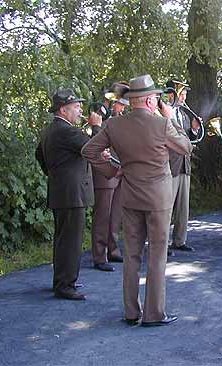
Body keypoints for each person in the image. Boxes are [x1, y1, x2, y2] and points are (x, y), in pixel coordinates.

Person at [81, 74, 192, 326]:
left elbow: (88, 151)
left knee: (131, 255)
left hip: (130, 195)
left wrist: (113, 170)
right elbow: (186, 147)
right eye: (155, 97)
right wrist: (170, 119)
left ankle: (131, 312)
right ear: (150, 100)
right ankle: (154, 314)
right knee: (157, 255)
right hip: (159, 199)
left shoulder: (114, 125)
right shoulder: (161, 124)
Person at [35, 88, 101, 300]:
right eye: (76, 107)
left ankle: (62, 280)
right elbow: (94, 147)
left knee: (63, 239)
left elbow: (39, 155)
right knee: (71, 240)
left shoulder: (50, 130)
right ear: (63, 110)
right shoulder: (67, 131)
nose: (80, 110)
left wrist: (54, 175)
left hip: (61, 191)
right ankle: (65, 285)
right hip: (72, 194)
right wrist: (96, 126)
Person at [89, 86, 128, 272]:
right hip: (105, 172)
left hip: (121, 170)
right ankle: (99, 255)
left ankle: (113, 248)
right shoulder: (100, 118)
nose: (122, 107)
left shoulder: (122, 120)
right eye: (120, 103)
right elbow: (93, 145)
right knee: (102, 215)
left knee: (116, 214)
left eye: (123, 104)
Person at [165, 80, 195, 252]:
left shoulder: (184, 115)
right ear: (171, 95)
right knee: (167, 206)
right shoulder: (162, 115)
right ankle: (164, 242)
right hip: (170, 164)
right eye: (181, 94)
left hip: (185, 164)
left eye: (184, 95)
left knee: (183, 207)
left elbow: (186, 137)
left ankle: (179, 240)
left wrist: (196, 131)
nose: (184, 98)